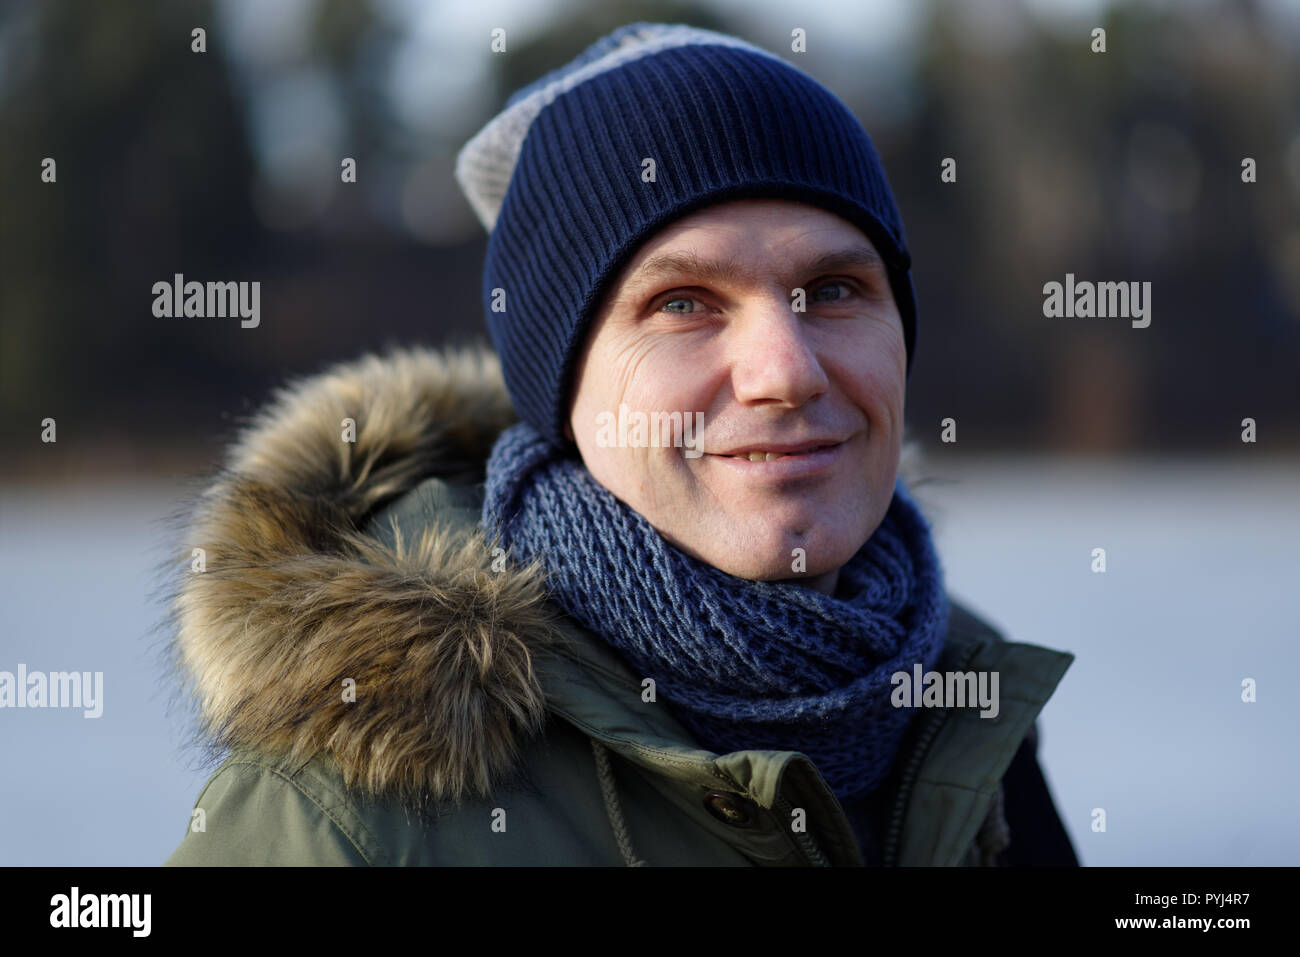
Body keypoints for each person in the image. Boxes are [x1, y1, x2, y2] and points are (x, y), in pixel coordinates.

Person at [164, 22, 1077, 866]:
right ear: (561, 392)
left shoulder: (964, 714)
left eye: (835, 288)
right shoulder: (354, 818)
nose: (786, 372)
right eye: (683, 304)